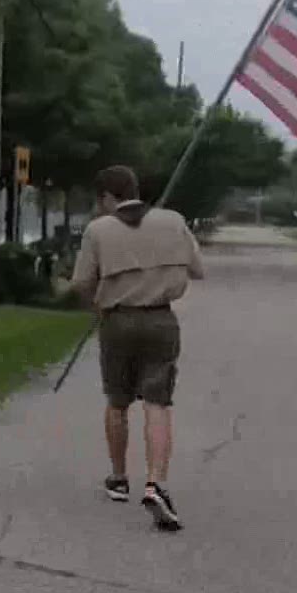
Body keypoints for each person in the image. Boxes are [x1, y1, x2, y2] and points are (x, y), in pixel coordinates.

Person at [71, 165, 205, 532]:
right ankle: (156, 482)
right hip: (161, 320)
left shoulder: (98, 231)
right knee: (157, 402)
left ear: (106, 198)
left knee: (117, 401)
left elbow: (82, 281)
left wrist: (97, 301)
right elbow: (197, 268)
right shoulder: (173, 221)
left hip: (118, 321)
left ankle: (118, 477)